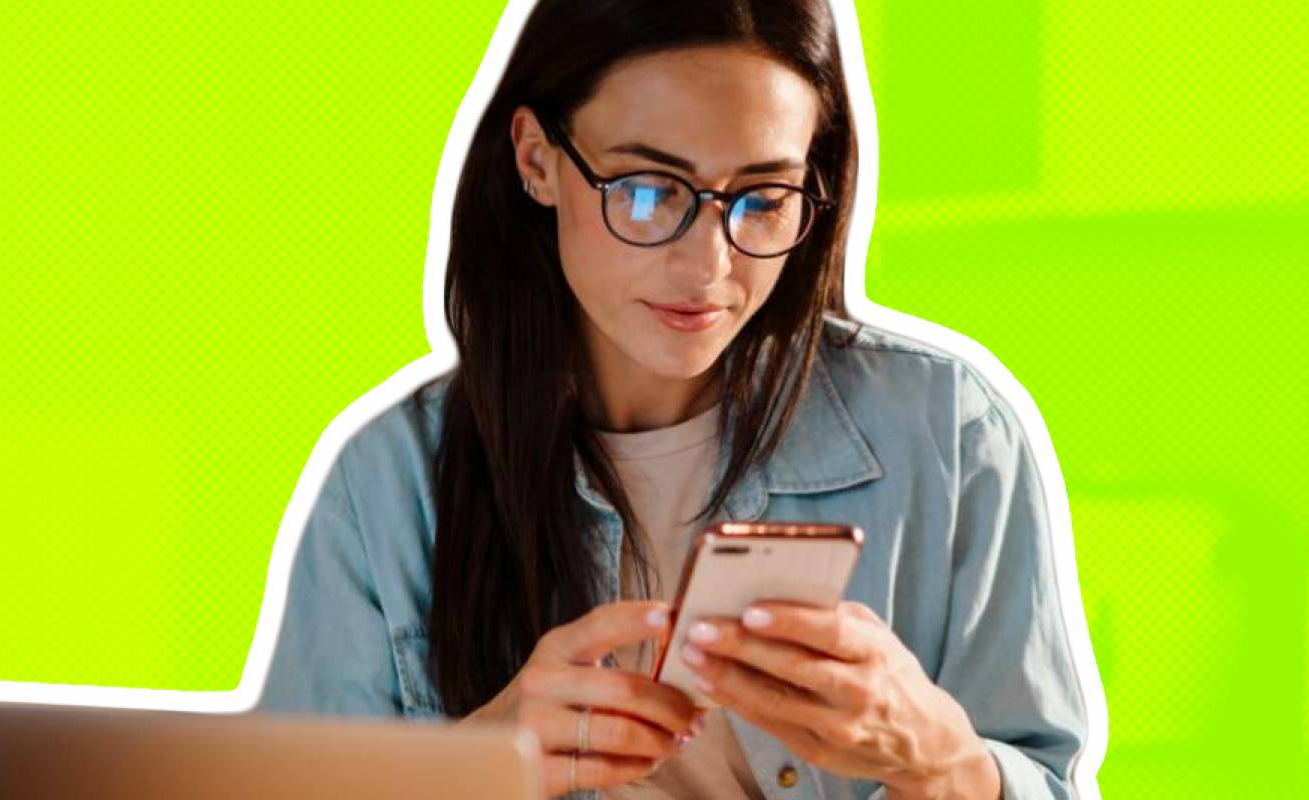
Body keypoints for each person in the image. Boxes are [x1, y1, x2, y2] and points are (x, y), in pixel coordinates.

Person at [256, 0, 1097, 797]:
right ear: (536, 160)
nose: (710, 269)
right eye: (649, 192)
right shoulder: (388, 485)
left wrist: (942, 760)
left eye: (764, 200)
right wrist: (475, 765)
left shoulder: (948, 432)